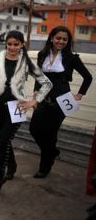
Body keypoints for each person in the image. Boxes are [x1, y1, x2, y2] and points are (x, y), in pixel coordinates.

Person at [0, 30, 52, 197]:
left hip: (17, 107)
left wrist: (35, 100)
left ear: (22, 44)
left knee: (2, 142)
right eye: (9, 44)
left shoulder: (27, 62)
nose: (12, 47)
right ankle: (12, 165)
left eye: (16, 44)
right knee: (5, 139)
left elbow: (47, 83)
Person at [30, 26, 92, 178]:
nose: (61, 41)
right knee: (34, 128)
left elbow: (88, 77)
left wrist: (80, 94)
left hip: (62, 98)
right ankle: (52, 152)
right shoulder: (42, 54)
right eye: (58, 38)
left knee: (51, 132)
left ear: (67, 41)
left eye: (65, 39)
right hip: (44, 96)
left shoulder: (72, 58)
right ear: (52, 38)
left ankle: (44, 166)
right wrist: (36, 90)